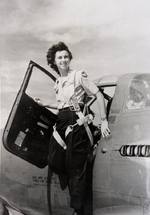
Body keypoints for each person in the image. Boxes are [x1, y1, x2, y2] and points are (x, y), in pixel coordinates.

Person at [36, 42, 110, 215]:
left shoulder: (78, 75)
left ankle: (79, 208)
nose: (63, 60)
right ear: (54, 61)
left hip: (76, 122)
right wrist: (44, 103)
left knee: (76, 167)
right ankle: (76, 189)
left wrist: (104, 120)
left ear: (70, 59)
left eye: (66, 57)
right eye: (59, 57)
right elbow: (61, 105)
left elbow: (97, 94)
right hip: (61, 121)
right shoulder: (58, 82)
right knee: (54, 159)